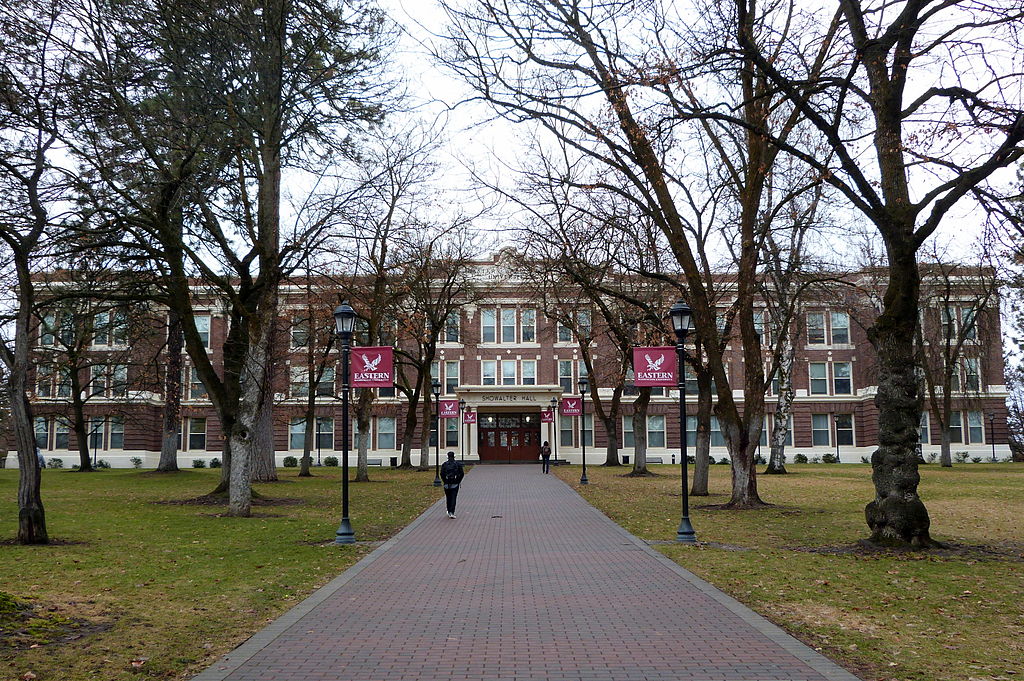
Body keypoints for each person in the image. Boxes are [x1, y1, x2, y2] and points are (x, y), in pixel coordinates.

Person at [440, 451, 464, 518]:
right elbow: (462, 473)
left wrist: (444, 481)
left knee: (448, 497)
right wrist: (458, 481)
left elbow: (442, 474)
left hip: (447, 484)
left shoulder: (444, 464)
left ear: (447, 456)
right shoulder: (458, 464)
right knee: (453, 497)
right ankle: (452, 512)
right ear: (454, 456)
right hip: (455, 483)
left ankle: (448, 510)